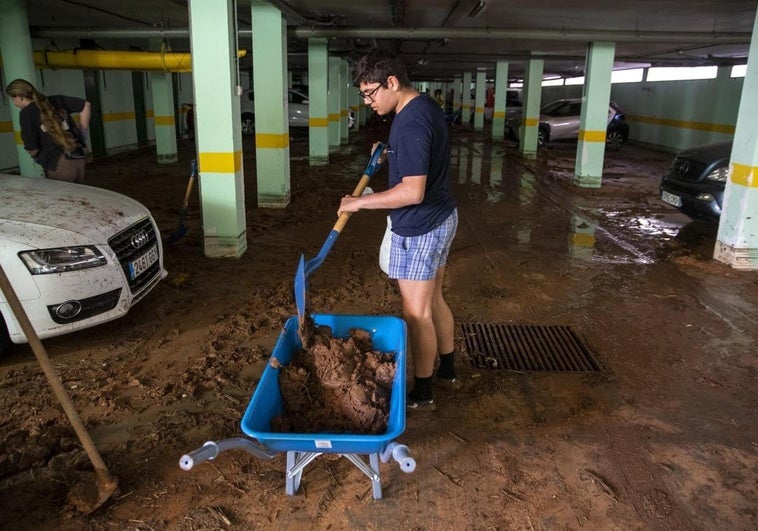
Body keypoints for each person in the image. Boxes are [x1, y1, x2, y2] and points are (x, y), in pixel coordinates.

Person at [339, 49, 458, 410]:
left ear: (391, 82)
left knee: (416, 313)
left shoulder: (409, 122)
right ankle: (448, 370)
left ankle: (423, 391)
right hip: (442, 216)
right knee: (434, 298)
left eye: (370, 93)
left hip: (421, 228)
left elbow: (412, 191)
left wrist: (358, 203)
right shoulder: (423, 106)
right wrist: (392, 151)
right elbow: (424, 153)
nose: (367, 101)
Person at [5, 78, 90, 183]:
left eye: (13, 99)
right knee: (78, 196)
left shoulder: (26, 113)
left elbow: (32, 147)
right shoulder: (57, 99)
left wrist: (36, 157)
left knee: (63, 198)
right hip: (79, 157)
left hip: (58, 164)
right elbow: (86, 105)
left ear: (20, 96)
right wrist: (82, 133)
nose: (14, 103)